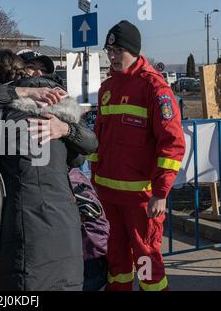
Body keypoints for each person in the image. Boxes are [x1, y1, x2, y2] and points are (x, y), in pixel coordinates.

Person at [0, 50, 98, 291]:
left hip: (19, 239)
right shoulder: (61, 112)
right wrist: (67, 131)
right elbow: (80, 155)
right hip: (65, 233)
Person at [90, 20, 186, 291]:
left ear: (134, 50)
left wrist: (161, 191)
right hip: (108, 196)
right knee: (116, 265)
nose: (112, 56)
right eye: (109, 50)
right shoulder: (106, 89)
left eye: (118, 50)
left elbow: (172, 143)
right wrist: (94, 184)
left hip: (141, 200)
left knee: (147, 264)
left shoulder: (154, 89)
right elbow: (99, 142)